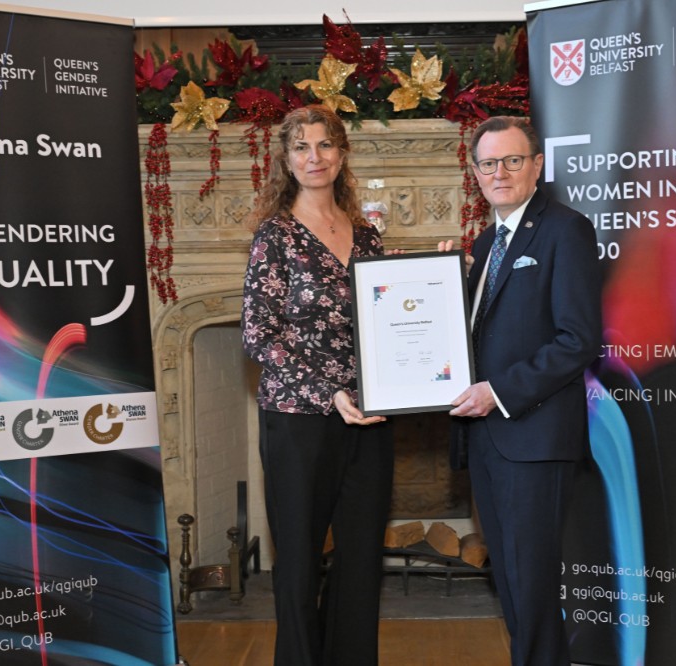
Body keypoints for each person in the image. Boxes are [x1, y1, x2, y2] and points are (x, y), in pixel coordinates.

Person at [442, 116, 603, 666]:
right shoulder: (487, 243)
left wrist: (498, 392)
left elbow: (577, 339)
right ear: (476, 174)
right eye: (488, 163)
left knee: (531, 582)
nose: (500, 172)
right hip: (487, 439)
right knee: (511, 579)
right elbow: (484, 332)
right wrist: (448, 283)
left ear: (538, 165)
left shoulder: (565, 229)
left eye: (513, 160)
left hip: (532, 434)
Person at [241, 105, 394, 666]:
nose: (315, 157)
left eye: (325, 145)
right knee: (301, 563)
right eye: (302, 147)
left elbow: (387, 321)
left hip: (372, 417)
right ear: (286, 160)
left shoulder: (369, 237)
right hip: (299, 418)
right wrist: (331, 390)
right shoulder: (275, 237)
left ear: (342, 153)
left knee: (360, 561)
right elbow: (260, 335)